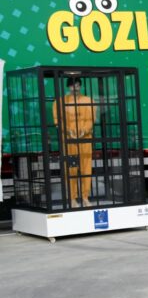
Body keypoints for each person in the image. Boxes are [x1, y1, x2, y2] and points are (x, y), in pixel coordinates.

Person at [52, 76, 95, 208]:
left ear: (80, 86)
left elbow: (91, 119)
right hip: (69, 141)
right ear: (68, 86)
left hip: (85, 140)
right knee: (71, 170)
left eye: (77, 85)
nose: (74, 87)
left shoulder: (88, 101)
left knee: (86, 168)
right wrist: (68, 131)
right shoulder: (59, 102)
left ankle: (85, 197)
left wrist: (85, 130)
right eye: (72, 85)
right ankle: (72, 198)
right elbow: (58, 121)